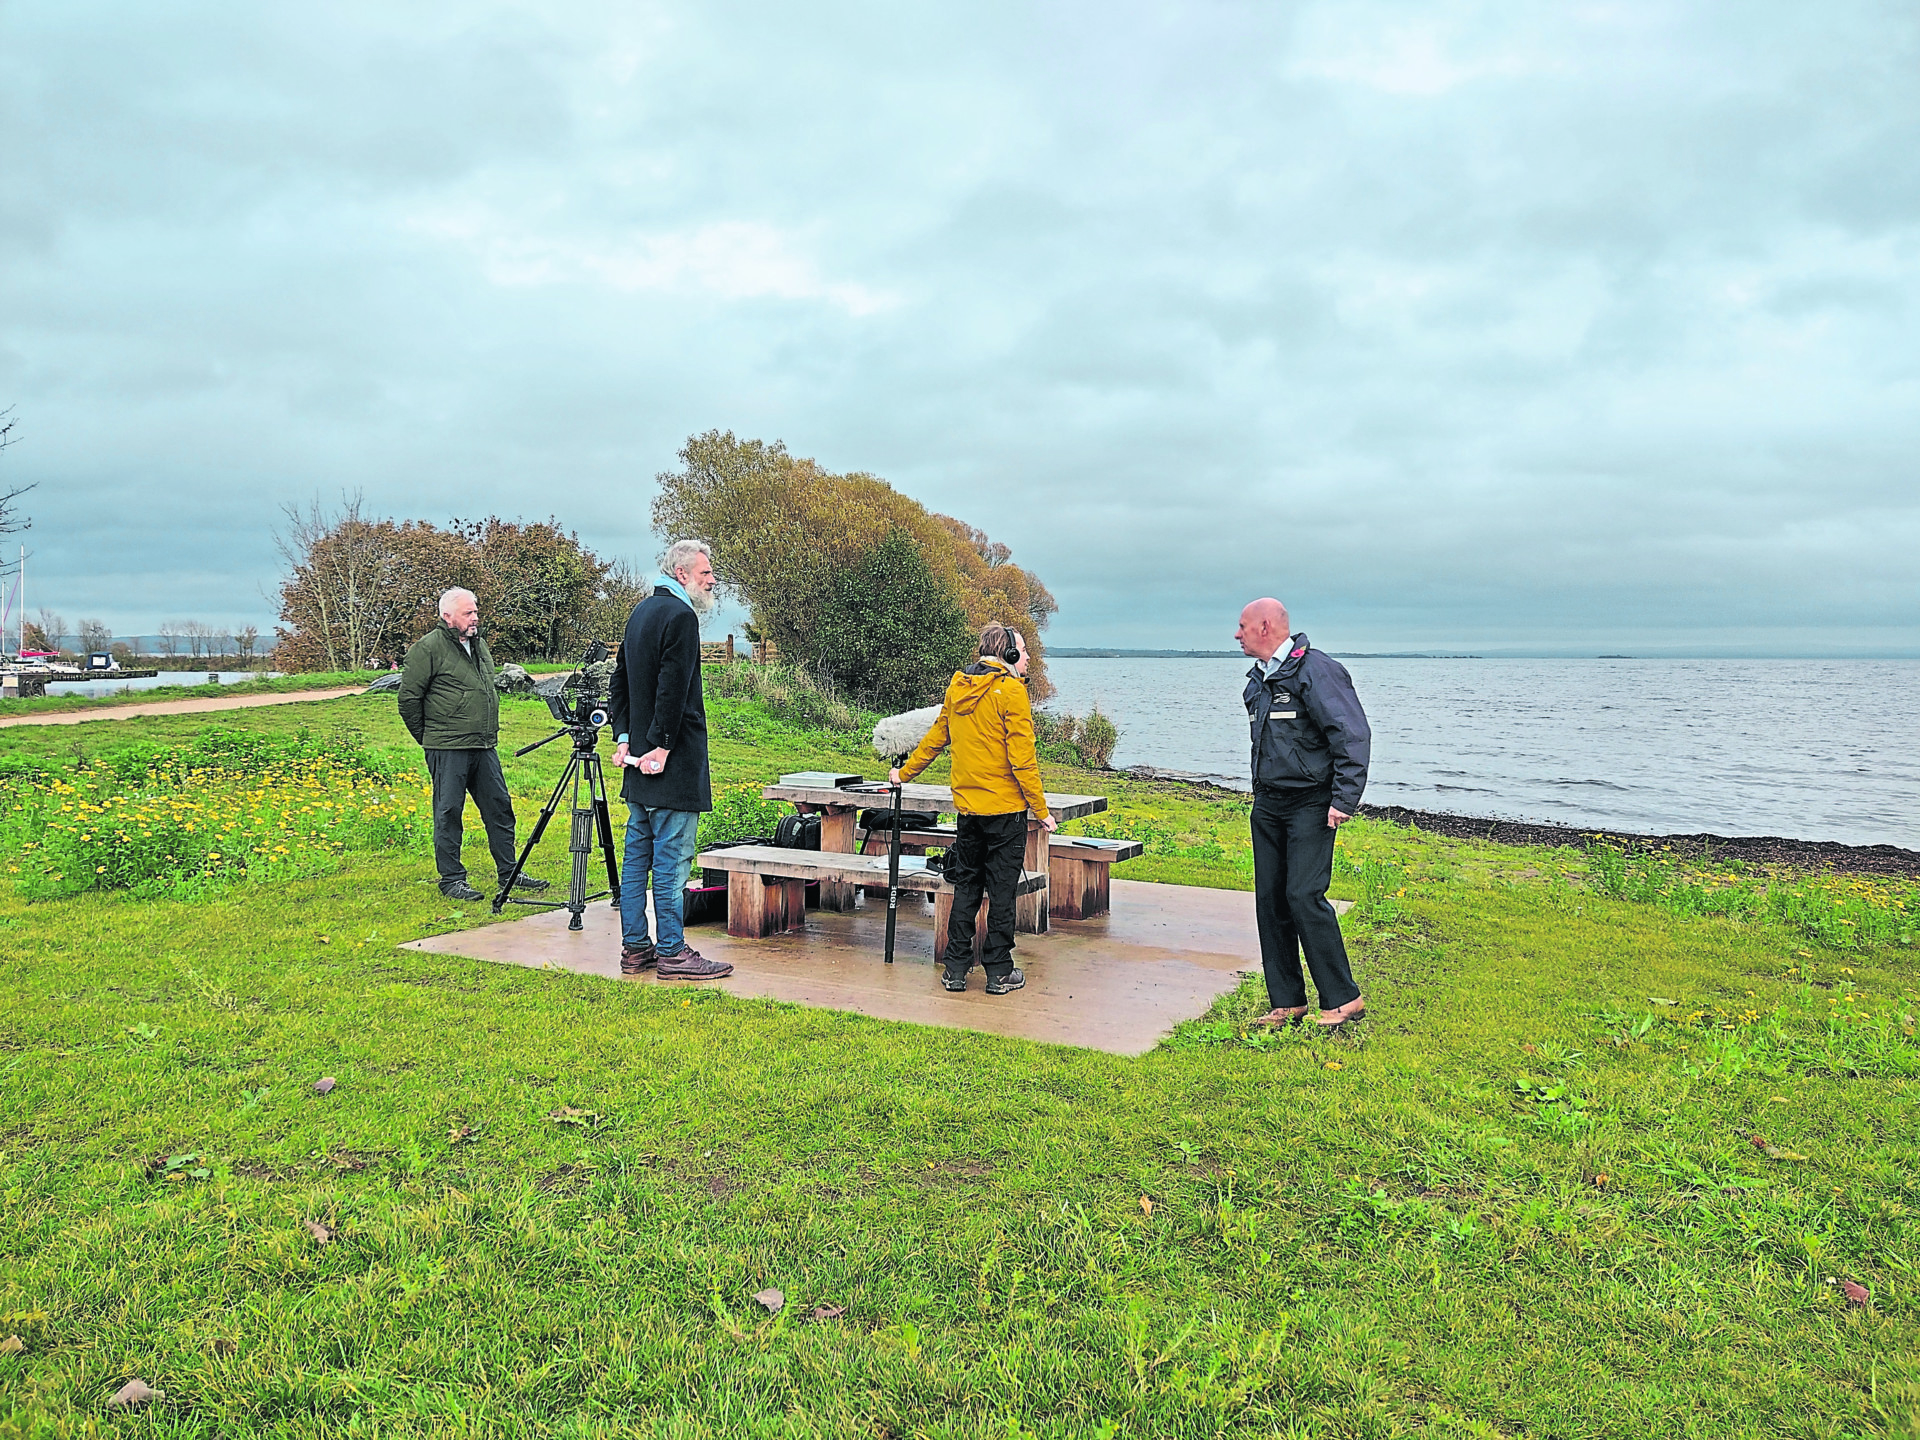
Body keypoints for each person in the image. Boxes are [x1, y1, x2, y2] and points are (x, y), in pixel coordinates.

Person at [892, 624, 1056, 996]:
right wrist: (1041, 810)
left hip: (968, 812)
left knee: (966, 888)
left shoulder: (958, 687)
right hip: (1006, 812)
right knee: (1001, 893)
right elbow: (1023, 760)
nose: (1028, 657)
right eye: (1024, 651)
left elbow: (935, 739)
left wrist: (903, 773)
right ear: (1009, 654)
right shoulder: (1012, 692)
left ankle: (955, 969)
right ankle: (999, 971)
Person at [1235, 597, 1371, 1029]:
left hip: (1312, 803)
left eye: (1241, 626)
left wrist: (1344, 799)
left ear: (1265, 626)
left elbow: (1352, 734)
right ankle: (1287, 1001)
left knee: (1304, 895)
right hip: (1269, 804)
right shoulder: (1259, 681)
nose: (1236, 634)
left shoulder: (1316, 670)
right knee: (1270, 899)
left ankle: (1343, 999)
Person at [608, 540, 733, 981]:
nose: (712, 579)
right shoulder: (681, 617)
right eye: (705, 573)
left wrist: (624, 738)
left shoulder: (639, 612)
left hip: (638, 762)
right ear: (682, 574)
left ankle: (635, 949)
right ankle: (673, 952)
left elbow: (618, 680)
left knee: (637, 860)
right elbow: (672, 687)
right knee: (671, 863)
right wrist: (660, 746)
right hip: (668, 764)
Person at [398, 587, 546, 903]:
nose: (475, 617)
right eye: (468, 613)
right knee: (449, 812)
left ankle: (509, 872)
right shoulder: (427, 650)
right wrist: (430, 739)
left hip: (483, 745)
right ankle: (452, 879)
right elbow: (409, 701)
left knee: (500, 808)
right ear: (447, 616)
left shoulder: (479, 646)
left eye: (475, 611)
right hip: (447, 747)